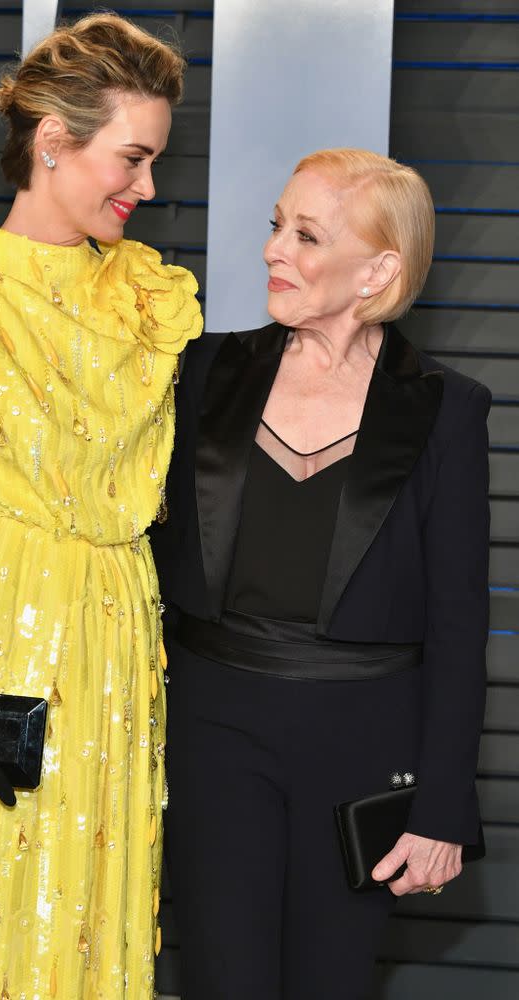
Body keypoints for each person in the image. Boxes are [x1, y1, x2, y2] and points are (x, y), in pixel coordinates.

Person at [0, 13, 202, 999]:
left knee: (91, 935)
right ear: (54, 142)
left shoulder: (142, 293)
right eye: (131, 159)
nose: (146, 188)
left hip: (114, 663)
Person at [151, 148, 490, 999]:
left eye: (305, 235)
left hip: (364, 745)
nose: (272, 249)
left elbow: (457, 620)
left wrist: (443, 808)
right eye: (275, 225)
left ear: (379, 269)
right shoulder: (201, 372)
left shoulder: (446, 407)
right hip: (214, 727)